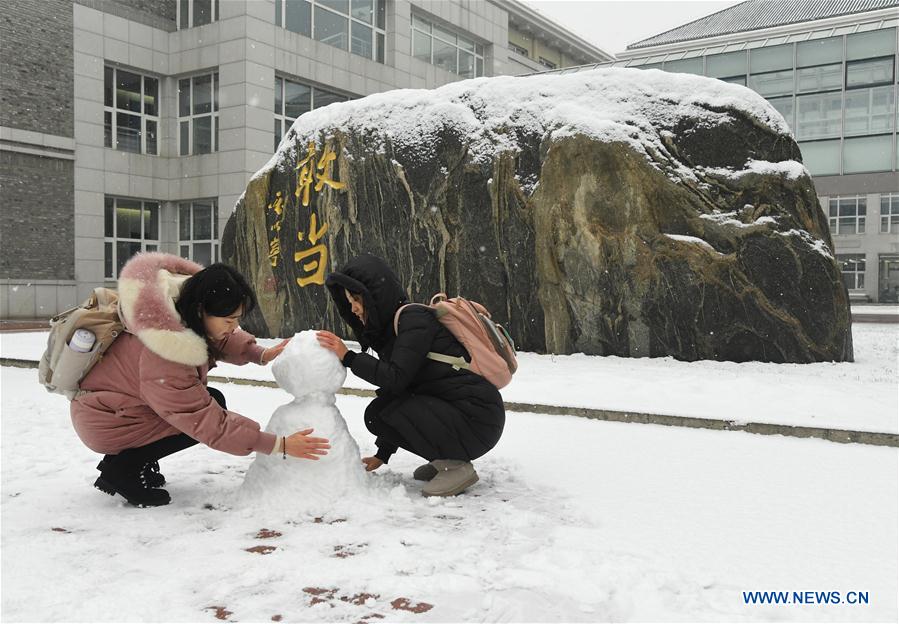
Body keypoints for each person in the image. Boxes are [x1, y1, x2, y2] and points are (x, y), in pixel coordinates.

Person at [70, 253, 330, 508]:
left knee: (208, 402)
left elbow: (214, 336)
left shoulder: (175, 309)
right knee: (200, 415)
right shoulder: (165, 353)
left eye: (237, 320)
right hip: (108, 421)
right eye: (229, 320)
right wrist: (278, 444)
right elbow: (207, 422)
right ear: (200, 309)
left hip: (116, 407)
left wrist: (258, 353)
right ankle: (124, 469)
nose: (233, 326)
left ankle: (132, 461)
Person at [316, 253, 505, 497]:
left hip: (477, 416)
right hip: (459, 412)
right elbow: (396, 393)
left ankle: (456, 466)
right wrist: (381, 455)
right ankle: (443, 457)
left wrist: (349, 358)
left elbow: (396, 379)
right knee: (378, 414)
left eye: (356, 298)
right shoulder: (393, 329)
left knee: (386, 410)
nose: (353, 308)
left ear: (373, 295)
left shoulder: (413, 319)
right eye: (348, 301)